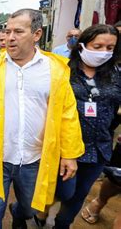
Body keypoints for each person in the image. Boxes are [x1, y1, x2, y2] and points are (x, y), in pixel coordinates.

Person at [0, 9, 85, 228]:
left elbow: (67, 114)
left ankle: (18, 213)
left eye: (18, 31)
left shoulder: (55, 70)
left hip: (33, 158)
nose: (10, 37)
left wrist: (69, 154)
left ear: (37, 34)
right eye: (8, 31)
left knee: (30, 207)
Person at [53, 24, 121, 229]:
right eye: (98, 46)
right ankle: (29, 209)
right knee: (63, 192)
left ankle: (62, 224)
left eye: (110, 48)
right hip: (65, 149)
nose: (104, 53)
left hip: (98, 148)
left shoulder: (116, 74)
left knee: (78, 195)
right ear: (82, 45)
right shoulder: (63, 71)